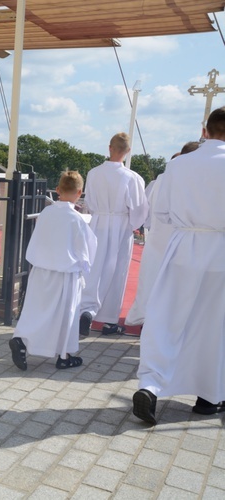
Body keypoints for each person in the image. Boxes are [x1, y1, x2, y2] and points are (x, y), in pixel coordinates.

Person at [132, 108, 225, 424]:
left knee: (166, 316)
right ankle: (208, 397)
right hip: (221, 250)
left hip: (184, 244)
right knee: (214, 325)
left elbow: (163, 213)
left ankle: (150, 385)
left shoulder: (178, 164)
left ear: (205, 130)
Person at [9, 171, 97, 371]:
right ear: (79, 192)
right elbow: (85, 249)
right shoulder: (77, 219)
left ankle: (22, 340)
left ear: (57, 190)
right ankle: (64, 355)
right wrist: (85, 269)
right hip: (65, 274)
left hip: (40, 271)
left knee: (37, 310)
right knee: (67, 314)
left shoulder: (46, 213)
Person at [78, 132, 148, 336]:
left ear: (109, 147)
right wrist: (132, 223)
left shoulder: (93, 173)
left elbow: (89, 201)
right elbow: (139, 208)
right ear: (128, 152)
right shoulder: (132, 177)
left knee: (94, 268)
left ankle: (85, 310)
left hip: (98, 223)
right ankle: (108, 320)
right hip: (120, 225)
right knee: (117, 272)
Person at [125, 141, 200, 328]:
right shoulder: (190, 181)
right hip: (181, 238)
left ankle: (147, 318)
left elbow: (147, 212)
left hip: (157, 237)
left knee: (151, 281)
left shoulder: (159, 181)